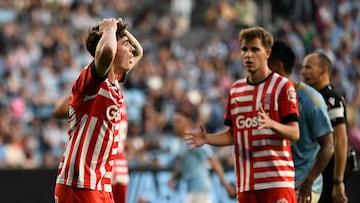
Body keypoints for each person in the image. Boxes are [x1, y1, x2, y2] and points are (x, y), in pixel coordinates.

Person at [185, 26, 300, 203]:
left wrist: (272, 124)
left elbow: (295, 132)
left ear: (267, 53)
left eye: (255, 49)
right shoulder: (236, 90)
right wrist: (208, 138)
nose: (248, 55)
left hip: (277, 182)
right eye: (244, 49)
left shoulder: (282, 86)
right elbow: (233, 134)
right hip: (246, 185)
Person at [54, 17, 143, 203]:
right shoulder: (91, 82)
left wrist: (120, 31)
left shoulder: (114, 82)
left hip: (101, 184)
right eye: (126, 44)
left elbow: (140, 51)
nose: (131, 49)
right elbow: (107, 51)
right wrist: (110, 29)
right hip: (79, 184)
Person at [268, 40, 334, 203]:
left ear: (276, 66)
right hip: (278, 183)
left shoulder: (311, 101)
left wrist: (309, 181)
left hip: (302, 186)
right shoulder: (266, 98)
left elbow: (329, 146)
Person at [301, 52, 349, 203]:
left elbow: (341, 140)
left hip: (329, 172)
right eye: (303, 68)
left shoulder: (331, 99)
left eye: (308, 67)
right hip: (315, 169)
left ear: (323, 70)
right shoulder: (308, 97)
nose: (303, 72)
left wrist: (338, 181)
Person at [167, 103, 236, 203]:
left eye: (178, 121)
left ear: (187, 123)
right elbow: (183, 164)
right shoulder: (180, 143)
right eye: (174, 121)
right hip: (191, 189)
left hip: (201, 189)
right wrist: (174, 178)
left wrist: (225, 185)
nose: (175, 124)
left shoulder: (195, 140)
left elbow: (213, 160)